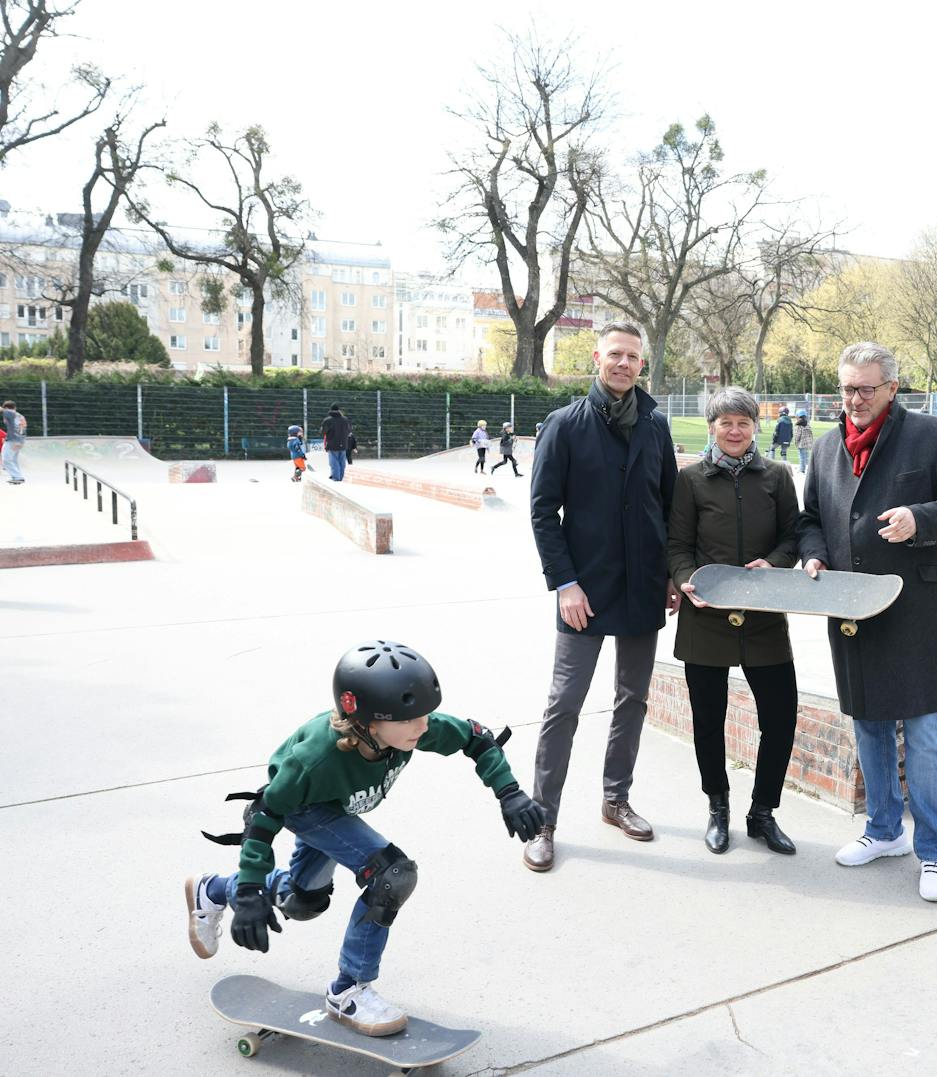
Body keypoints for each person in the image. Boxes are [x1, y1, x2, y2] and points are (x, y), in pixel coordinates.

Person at [184, 641, 542, 1037]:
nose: (422, 727)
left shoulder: (411, 728)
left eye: (424, 715)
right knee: (392, 875)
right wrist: (251, 885)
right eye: (409, 720)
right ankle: (349, 991)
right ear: (367, 721)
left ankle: (213, 891)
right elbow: (265, 815)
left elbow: (477, 740)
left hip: (336, 809)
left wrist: (509, 792)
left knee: (303, 902)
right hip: (304, 808)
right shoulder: (314, 760)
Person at [800, 342, 937, 902]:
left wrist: (918, 519)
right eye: (847, 389)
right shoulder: (828, 447)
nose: (854, 400)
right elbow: (811, 519)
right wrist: (814, 556)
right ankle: (883, 831)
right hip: (854, 610)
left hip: (918, 612)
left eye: (866, 389)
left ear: (892, 389)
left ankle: (934, 852)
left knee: (925, 732)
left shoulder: (932, 435)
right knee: (869, 724)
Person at [524, 320, 679, 873]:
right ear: (597, 358)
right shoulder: (564, 426)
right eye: (615, 354)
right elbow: (543, 512)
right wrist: (564, 582)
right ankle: (542, 819)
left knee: (632, 700)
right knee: (563, 705)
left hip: (642, 589)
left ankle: (616, 800)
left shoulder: (655, 428)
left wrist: (669, 574)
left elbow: (669, 506)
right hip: (581, 592)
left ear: (643, 365)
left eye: (633, 356)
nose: (623, 363)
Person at [667, 387, 802, 856]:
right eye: (725, 422)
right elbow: (678, 544)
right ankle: (718, 808)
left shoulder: (778, 476)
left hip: (764, 618)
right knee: (709, 721)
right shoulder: (691, 481)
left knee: (781, 718)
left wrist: (776, 562)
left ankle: (762, 813)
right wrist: (686, 580)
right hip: (706, 618)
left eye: (743, 422)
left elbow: (793, 535)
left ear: (755, 427)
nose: (734, 430)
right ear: (712, 428)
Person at [320, 405, 351, 482]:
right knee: (342, 461)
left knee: (334, 461)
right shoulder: (345, 420)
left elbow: (323, 431)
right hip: (343, 444)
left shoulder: (327, 420)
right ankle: (341, 477)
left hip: (332, 444)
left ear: (330, 410)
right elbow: (349, 430)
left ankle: (336, 478)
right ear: (339, 410)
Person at [1, 400, 27, 484]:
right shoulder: (20, 415)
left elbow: (2, 410)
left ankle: (18, 477)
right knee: (13, 460)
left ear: (7, 408)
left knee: (6, 460)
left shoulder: (9, 413)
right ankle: (17, 476)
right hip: (21, 440)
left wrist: (4, 410)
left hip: (13, 440)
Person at [792, 409, 814, 474]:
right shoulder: (807, 424)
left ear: (798, 416)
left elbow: (797, 435)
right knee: (806, 456)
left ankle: (802, 470)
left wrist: (795, 442)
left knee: (801, 457)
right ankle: (807, 469)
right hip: (808, 444)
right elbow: (810, 434)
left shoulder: (798, 425)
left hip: (801, 444)